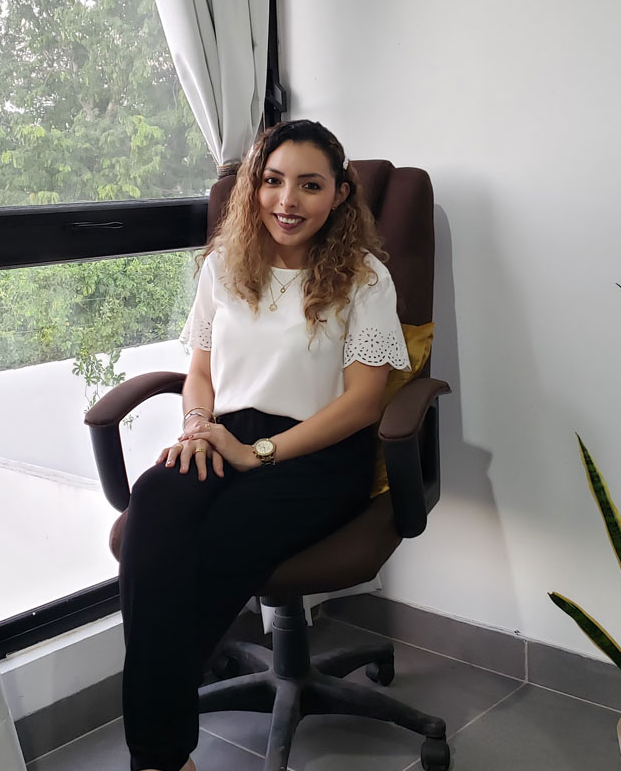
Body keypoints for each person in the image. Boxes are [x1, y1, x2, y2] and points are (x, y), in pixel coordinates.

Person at [119, 120, 411, 771]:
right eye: (273, 181)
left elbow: (364, 402)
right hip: (225, 433)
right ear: (254, 187)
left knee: (215, 541)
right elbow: (199, 371)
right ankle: (165, 752)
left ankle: (157, 757)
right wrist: (198, 427)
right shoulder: (225, 264)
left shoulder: (364, 278)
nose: (287, 200)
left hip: (318, 452)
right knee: (154, 501)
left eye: (309, 185)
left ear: (339, 193)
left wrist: (261, 454)